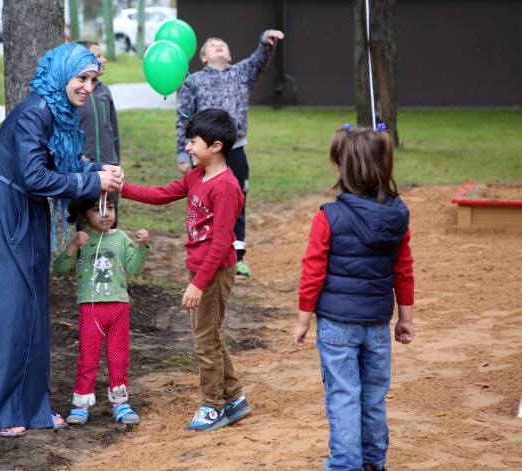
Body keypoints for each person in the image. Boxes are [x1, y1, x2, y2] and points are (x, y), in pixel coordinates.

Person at [0, 43, 124, 438]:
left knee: (31, 310)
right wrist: (92, 181)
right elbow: (34, 176)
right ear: (62, 74)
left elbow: (60, 165)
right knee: (8, 310)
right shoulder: (35, 111)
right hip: (7, 212)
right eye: (81, 78)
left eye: (93, 80)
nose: (87, 87)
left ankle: (31, 408)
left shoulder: (59, 111)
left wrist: (100, 169)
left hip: (27, 212)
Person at [120, 108, 253, 432]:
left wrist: (198, 284)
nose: (189, 148)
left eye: (193, 142)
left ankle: (213, 406)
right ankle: (234, 398)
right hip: (200, 270)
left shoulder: (225, 187)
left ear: (216, 146)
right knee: (209, 335)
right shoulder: (197, 176)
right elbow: (161, 194)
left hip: (214, 272)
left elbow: (222, 241)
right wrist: (120, 188)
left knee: (204, 340)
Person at [291, 125, 415, 471]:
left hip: (336, 326)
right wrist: (405, 318)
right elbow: (403, 269)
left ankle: (346, 465)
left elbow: (312, 272)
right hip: (377, 324)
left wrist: (303, 320)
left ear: (343, 169)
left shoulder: (327, 216)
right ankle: (373, 462)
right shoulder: (397, 216)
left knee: (344, 397)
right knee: (373, 398)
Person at [175, 29, 285, 279]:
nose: (218, 46)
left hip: (234, 151)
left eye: (222, 44)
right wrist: (183, 154)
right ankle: (203, 254)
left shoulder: (241, 74)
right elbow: (182, 121)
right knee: (203, 205)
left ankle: (237, 257)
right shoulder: (193, 81)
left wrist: (265, 40)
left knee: (236, 202)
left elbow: (259, 58)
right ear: (203, 58)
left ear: (230, 55)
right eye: (212, 45)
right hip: (203, 155)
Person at [53, 194, 150, 426]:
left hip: (119, 307)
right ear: (84, 215)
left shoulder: (122, 238)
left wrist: (142, 247)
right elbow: (59, 268)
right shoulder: (82, 240)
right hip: (91, 309)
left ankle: (120, 403)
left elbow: (134, 268)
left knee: (119, 358)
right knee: (88, 358)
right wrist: (73, 244)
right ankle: (81, 405)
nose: (105, 214)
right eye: (97, 209)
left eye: (110, 207)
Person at [75, 39, 122, 227]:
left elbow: (114, 129)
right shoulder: (75, 93)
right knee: (87, 217)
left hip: (109, 167)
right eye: (98, 56)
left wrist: (116, 161)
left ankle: (113, 254)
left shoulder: (105, 91)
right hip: (85, 169)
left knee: (110, 214)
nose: (104, 60)